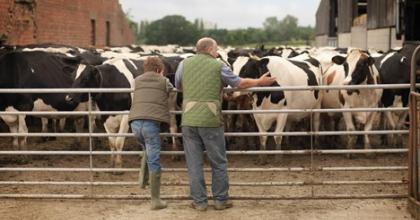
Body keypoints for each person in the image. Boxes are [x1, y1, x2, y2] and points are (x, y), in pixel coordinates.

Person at [175, 37, 276, 211]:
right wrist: (260, 81)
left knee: (194, 163)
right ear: (209, 50)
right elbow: (239, 84)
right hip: (211, 118)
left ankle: (199, 202)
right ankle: (220, 200)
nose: (217, 52)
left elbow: (178, 86)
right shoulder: (219, 65)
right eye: (216, 49)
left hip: (189, 119)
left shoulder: (184, 64)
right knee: (218, 162)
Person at [129, 56, 174, 210]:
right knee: (154, 159)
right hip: (150, 123)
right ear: (158, 69)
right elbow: (171, 92)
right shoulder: (164, 81)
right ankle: (155, 200)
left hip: (135, 123)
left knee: (147, 150)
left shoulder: (137, 80)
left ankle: (143, 180)